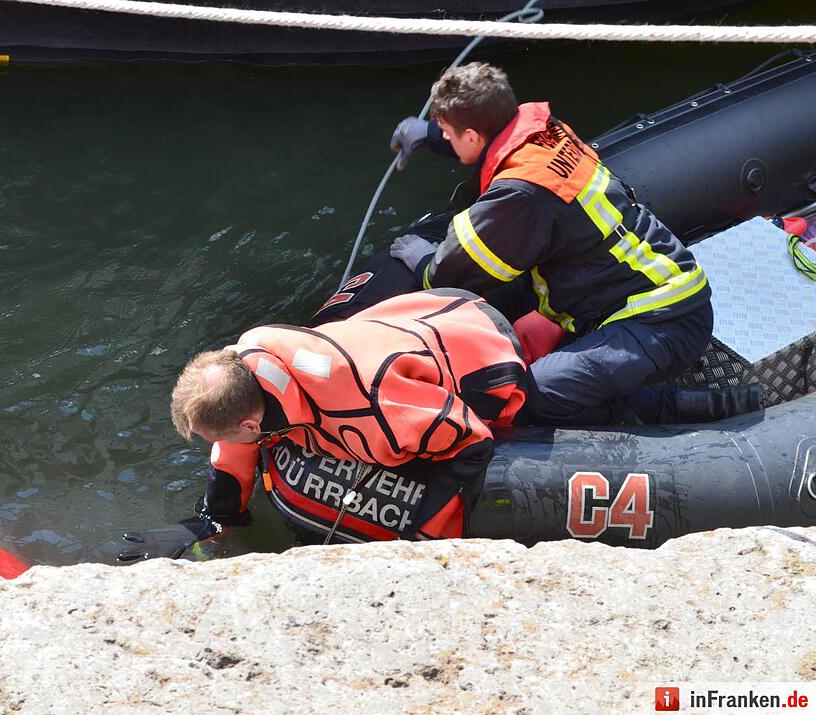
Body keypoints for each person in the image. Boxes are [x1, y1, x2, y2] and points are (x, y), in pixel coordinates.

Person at [386, 62, 762, 426]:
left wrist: (422, 259)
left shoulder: (519, 192)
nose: (447, 139)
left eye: (448, 133)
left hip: (659, 320)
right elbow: (487, 141)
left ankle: (668, 411)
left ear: (470, 135)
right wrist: (434, 137)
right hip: (645, 292)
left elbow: (452, 274)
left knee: (531, 397)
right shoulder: (547, 133)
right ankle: (671, 398)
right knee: (517, 312)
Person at [169, 289, 527, 545]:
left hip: (485, 351)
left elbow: (473, 443)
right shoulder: (248, 364)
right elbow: (238, 448)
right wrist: (212, 520)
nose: (222, 444)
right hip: (427, 312)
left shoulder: (375, 410)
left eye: (221, 437)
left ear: (249, 426)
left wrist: (422, 540)